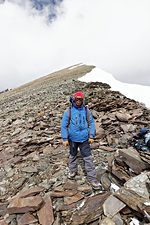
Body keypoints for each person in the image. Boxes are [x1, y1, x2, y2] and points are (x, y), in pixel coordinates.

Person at [61, 91, 101, 190]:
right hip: (73, 139)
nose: (78, 101)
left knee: (88, 158)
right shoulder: (69, 111)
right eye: (77, 99)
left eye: (80, 99)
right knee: (72, 156)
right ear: (73, 99)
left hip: (84, 138)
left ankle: (93, 179)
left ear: (83, 100)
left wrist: (91, 136)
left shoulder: (86, 110)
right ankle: (72, 171)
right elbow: (63, 125)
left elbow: (91, 122)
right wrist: (65, 138)